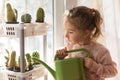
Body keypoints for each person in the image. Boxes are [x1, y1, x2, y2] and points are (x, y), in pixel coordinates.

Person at [56, 6, 117, 80]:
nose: (66, 35)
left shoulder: (100, 51)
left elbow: (113, 71)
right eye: (66, 31)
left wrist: (94, 66)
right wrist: (61, 58)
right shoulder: (71, 46)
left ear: (86, 33)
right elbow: (68, 69)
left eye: (70, 32)